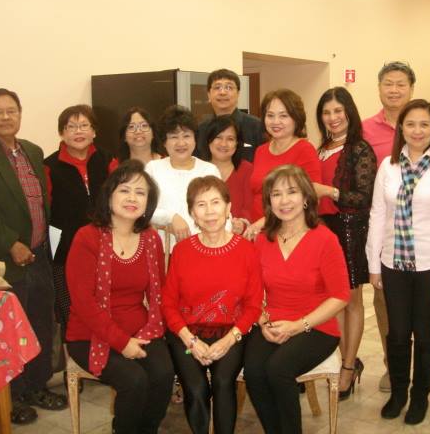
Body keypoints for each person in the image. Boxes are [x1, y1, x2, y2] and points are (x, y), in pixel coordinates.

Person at [0, 88, 66, 424]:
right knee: (8, 333)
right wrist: (11, 243)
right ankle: (13, 396)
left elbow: (40, 203)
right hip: (5, 260)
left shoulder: (33, 151)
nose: (6, 117)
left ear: (20, 113)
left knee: (40, 325)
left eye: (12, 110)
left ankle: (37, 387)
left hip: (40, 255)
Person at [366, 99, 430, 425]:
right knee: (397, 334)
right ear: (401, 129)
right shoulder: (388, 166)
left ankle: (420, 396)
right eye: (410, 124)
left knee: (425, 335)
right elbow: (378, 216)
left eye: (424, 124)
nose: (417, 130)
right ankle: (399, 394)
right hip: (393, 263)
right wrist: (374, 264)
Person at [65, 160, 174, 434]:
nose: (132, 198)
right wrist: (122, 342)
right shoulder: (87, 237)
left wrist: (149, 331)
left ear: (148, 202)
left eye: (140, 192)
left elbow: (158, 295)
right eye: (125, 190)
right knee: (134, 380)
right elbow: (83, 302)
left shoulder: (150, 238)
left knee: (163, 374)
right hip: (88, 334)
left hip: (140, 329)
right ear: (109, 195)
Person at [244, 165, 350, 434]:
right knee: (254, 371)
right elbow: (251, 290)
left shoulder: (325, 239)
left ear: (305, 198)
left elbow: (340, 296)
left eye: (291, 192)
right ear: (269, 202)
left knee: (278, 369)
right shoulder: (263, 240)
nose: (284, 200)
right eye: (276, 194)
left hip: (316, 326)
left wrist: (297, 326)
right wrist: (261, 320)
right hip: (273, 321)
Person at [162, 176, 262, 434]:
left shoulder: (247, 250)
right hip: (186, 334)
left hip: (232, 332)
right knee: (195, 388)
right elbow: (169, 304)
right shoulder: (182, 251)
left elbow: (253, 306)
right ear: (193, 213)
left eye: (216, 202)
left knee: (223, 381)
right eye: (201, 205)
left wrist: (228, 340)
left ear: (228, 208)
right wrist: (190, 341)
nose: (209, 211)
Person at [315, 87, 377, 399]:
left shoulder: (360, 149)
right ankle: (342, 359)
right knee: (332, 300)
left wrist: (328, 191)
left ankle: (349, 367)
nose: (333, 117)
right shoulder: (321, 148)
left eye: (338, 111)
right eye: (327, 112)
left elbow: (364, 197)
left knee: (351, 301)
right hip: (321, 231)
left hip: (350, 229)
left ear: (349, 112)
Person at [44, 104, 117, 329]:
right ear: (62, 133)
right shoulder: (49, 166)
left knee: (107, 302)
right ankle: (74, 343)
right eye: (71, 127)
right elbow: (44, 209)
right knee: (71, 305)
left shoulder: (108, 160)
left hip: (107, 244)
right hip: (65, 247)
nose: (78, 132)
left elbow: (120, 199)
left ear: (94, 131)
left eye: (84, 126)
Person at [245, 89, 322, 239]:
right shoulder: (261, 150)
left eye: (283, 116)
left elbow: (312, 199)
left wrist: (264, 222)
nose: (275, 122)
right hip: (257, 231)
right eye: (270, 115)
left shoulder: (304, 149)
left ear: (296, 119)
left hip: (287, 232)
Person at [145, 105, 220, 248]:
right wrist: (171, 217)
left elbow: (221, 211)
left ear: (195, 139)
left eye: (186, 136)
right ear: (164, 142)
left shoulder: (209, 170)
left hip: (203, 248)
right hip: (163, 251)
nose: (181, 143)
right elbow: (143, 209)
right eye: (174, 137)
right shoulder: (153, 169)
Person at [198, 115, 253, 235]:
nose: (224, 144)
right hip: (203, 236)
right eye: (218, 137)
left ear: (237, 143)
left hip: (237, 238)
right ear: (209, 140)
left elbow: (250, 208)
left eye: (230, 139)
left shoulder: (247, 169)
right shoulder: (198, 170)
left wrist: (242, 223)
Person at [195, 68, 264, 163]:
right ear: (209, 95)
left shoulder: (257, 126)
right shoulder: (200, 130)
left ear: (238, 94)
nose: (222, 92)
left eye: (229, 87)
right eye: (217, 87)